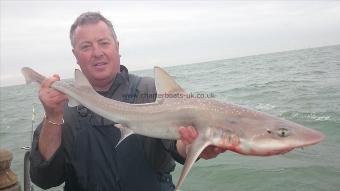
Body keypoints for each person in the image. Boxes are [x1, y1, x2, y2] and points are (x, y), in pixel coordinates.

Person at [30, 12, 226, 191]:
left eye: (104, 43)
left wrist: (195, 147)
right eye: (86, 47)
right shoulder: (64, 107)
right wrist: (52, 117)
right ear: (76, 55)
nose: (97, 52)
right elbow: (44, 179)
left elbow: (176, 145)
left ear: (117, 46)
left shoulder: (150, 91)